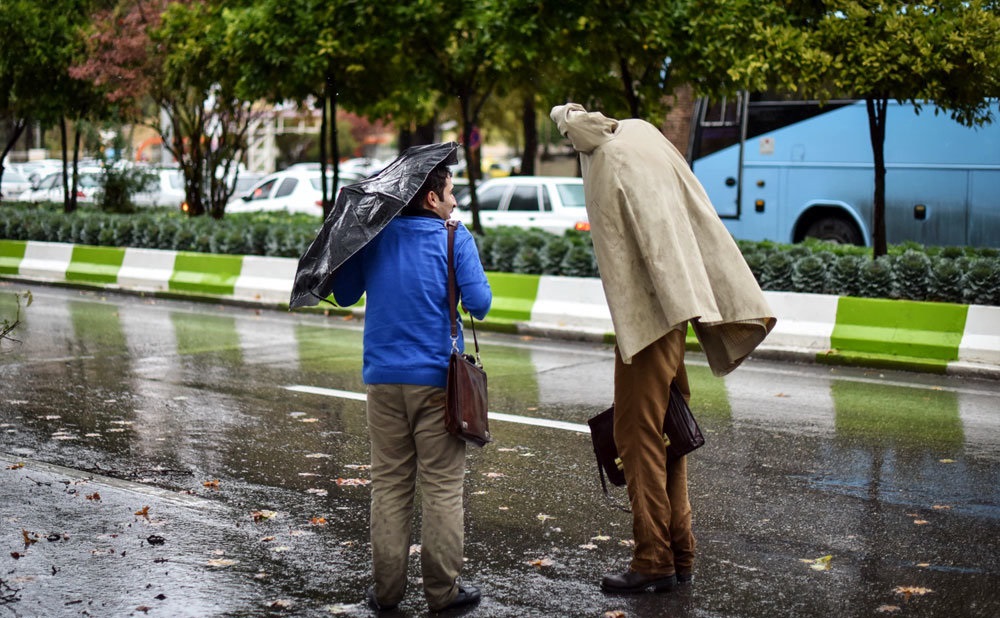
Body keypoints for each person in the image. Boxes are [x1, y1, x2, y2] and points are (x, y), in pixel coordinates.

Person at [550, 103, 775, 593]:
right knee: (668, 431)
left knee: (637, 436)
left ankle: (653, 558)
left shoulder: (609, 156)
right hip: (678, 307)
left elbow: (633, 249)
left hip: (649, 317)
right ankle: (681, 549)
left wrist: (563, 116)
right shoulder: (646, 139)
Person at [331, 160, 492, 612]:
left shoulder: (373, 237)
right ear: (431, 198)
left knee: (389, 485)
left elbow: (344, 294)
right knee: (441, 487)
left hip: (382, 381)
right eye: (451, 192)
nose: (455, 202)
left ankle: (386, 592)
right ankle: (442, 594)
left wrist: (352, 240)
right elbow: (480, 303)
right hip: (439, 382)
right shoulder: (454, 237)